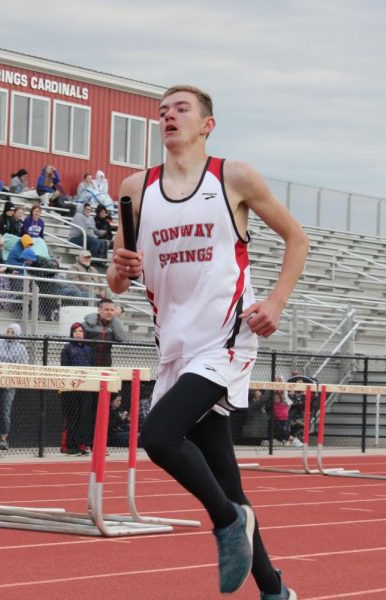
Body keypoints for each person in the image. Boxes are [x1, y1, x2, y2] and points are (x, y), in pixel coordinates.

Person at [108, 84, 307, 599]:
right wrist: (120, 269)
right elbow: (118, 278)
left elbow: (296, 238)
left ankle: (224, 523)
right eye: (162, 111)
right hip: (173, 347)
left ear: (206, 125)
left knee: (158, 436)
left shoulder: (231, 177)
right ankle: (275, 591)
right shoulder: (135, 189)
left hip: (226, 337)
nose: (168, 117)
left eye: (181, 109)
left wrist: (277, 304)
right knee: (227, 478)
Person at [0, 324, 29, 450]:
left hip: (9, 384)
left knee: (4, 411)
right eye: (8, 331)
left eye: (12, 332)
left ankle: (3, 439)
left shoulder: (21, 349)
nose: (9, 334)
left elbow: (23, 366)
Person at [60, 322, 94, 455]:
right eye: (76, 331)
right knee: (72, 417)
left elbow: (91, 365)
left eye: (80, 331)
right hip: (71, 389)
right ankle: (68, 445)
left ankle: (81, 444)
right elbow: (65, 367)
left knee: (83, 417)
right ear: (72, 334)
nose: (78, 334)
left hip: (85, 388)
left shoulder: (88, 349)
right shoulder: (67, 349)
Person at [82, 298, 127, 368]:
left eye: (112, 310)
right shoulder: (85, 324)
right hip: (86, 363)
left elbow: (121, 338)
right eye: (106, 309)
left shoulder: (114, 324)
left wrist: (114, 317)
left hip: (105, 365)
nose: (109, 312)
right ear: (99, 310)